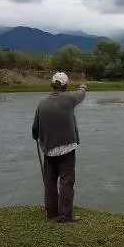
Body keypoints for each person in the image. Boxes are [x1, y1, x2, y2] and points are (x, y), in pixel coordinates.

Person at [32, 72, 87, 223]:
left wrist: (39, 136)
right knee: (66, 181)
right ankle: (65, 216)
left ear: (53, 84)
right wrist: (83, 87)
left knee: (49, 180)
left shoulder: (42, 103)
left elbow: (34, 130)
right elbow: (81, 94)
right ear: (65, 85)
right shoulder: (69, 99)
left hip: (48, 149)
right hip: (67, 149)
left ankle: (51, 212)